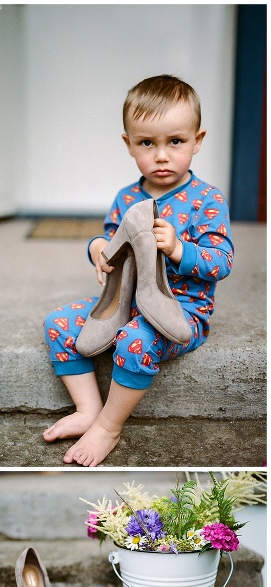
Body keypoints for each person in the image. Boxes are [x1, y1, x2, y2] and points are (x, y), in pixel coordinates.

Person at [42, 74, 233, 466]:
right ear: (129, 145)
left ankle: (109, 426)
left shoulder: (206, 200)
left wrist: (179, 248)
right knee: (57, 323)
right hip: (123, 305)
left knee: (135, 340)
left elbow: (222, 261)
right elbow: (112, 241)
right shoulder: (128, 197)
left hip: (181, 312)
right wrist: (97, 248)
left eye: (175, 142)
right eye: (148, 142)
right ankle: (88, 409)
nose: (161, 155)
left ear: (197, 140)